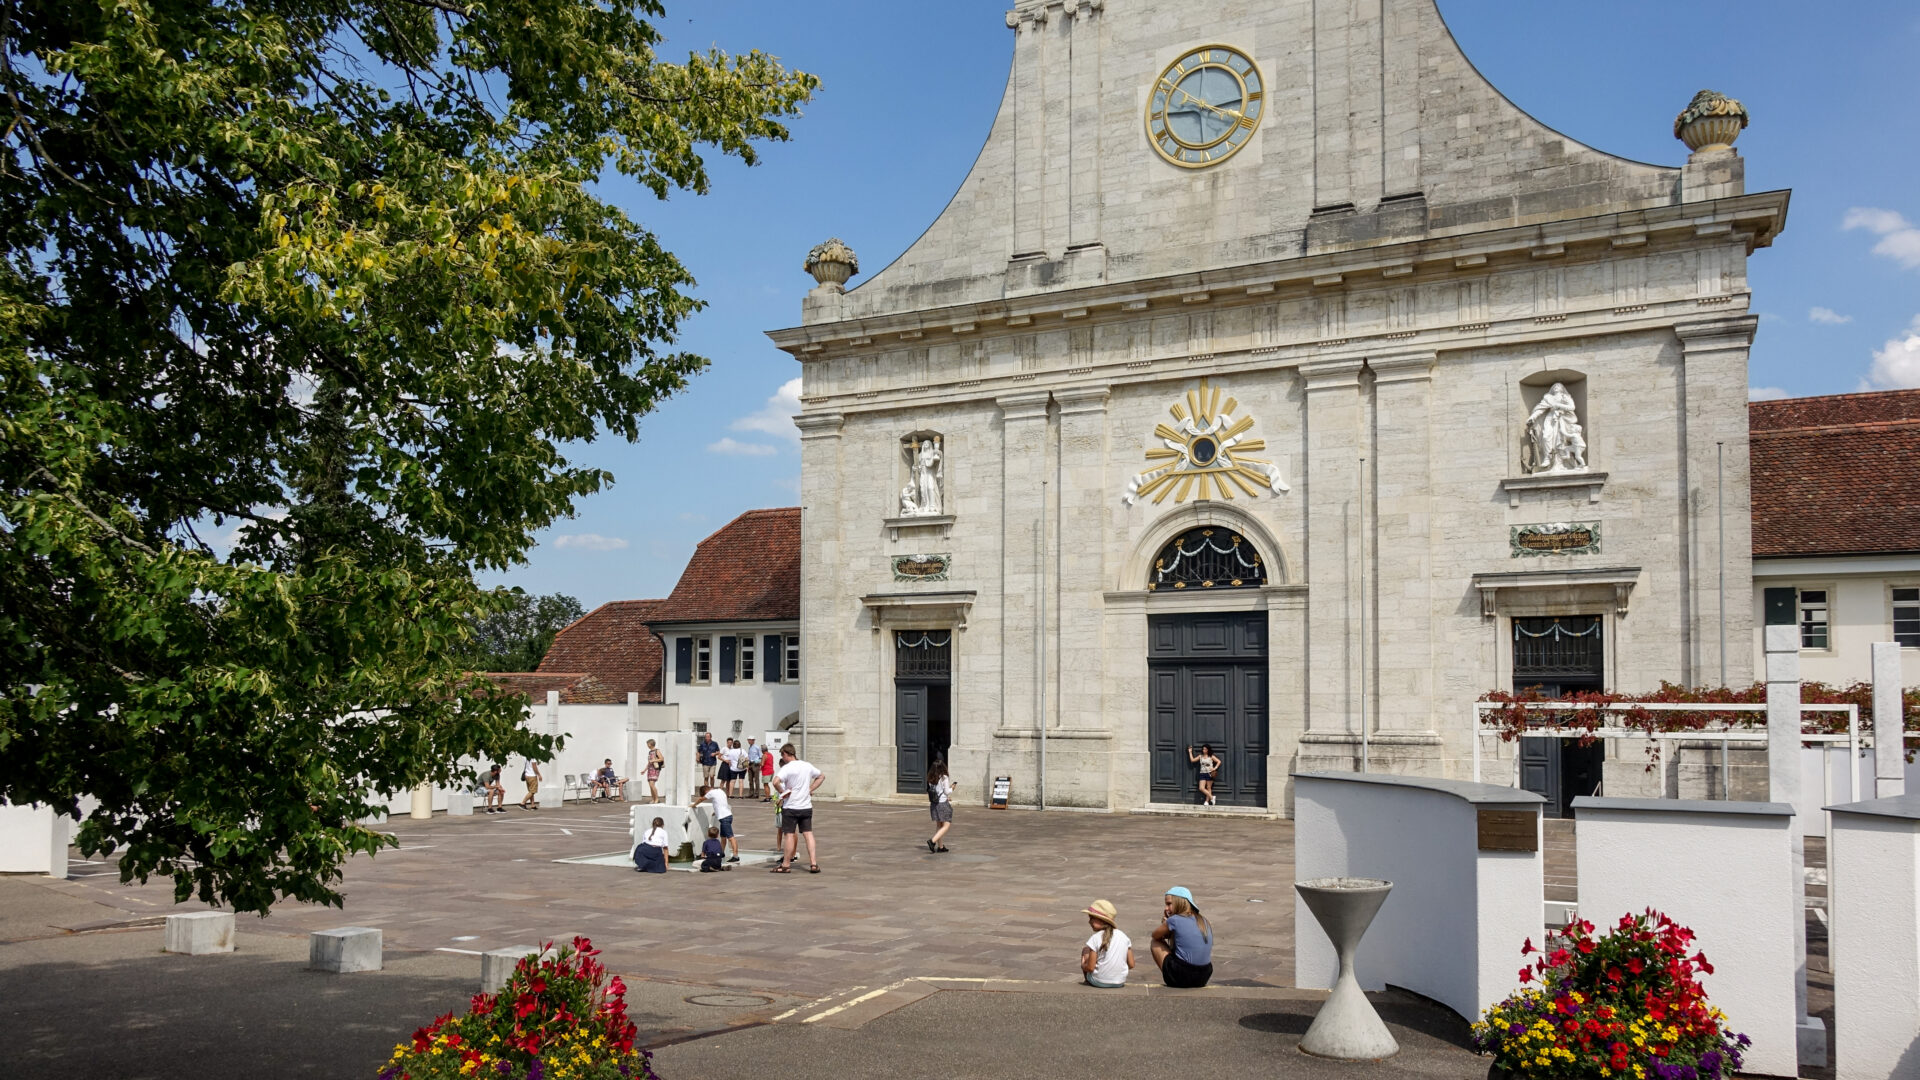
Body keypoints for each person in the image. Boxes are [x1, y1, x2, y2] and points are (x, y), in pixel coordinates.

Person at [770, 742, 824, 874]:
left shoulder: (787, 768)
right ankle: (813, 863)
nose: (783, 759)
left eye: (782, 756)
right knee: (808, 833)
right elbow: (821, 776)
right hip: (806, 806)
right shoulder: (807, 765)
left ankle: (786, 864)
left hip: (791, 806)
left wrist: (783, 792)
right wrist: (810, 789)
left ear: (786, 754)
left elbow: (775, 782)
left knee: (789, 835)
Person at [1149, 886, 1214, 988]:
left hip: (1183, 975)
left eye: (1169, 904)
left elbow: (1155, 935)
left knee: (1155, 943)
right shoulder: (1203, 920)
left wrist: (1165, 924)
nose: (1166, 908)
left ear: (1180, 902)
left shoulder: (1174, 920)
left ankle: (1171, 977)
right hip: (1204, 975)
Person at [1080, 899, 1134, 989]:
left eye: (1092, 918)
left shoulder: (1095, 938)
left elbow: (1090, 968)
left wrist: (1083, 965)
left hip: (1098, 982)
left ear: (1101, 920)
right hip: (1120, 982)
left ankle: (1087, 981)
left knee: (1085, 950)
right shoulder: (1124, 936)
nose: (1089, 922)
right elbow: (1131, 964)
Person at [693, 783, 739, 863]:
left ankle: (735, 856)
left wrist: (693, 805)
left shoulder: (711, 792)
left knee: (731, 837)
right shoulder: (720, 791)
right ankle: (721, 853)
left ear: (706, 791)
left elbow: (701, 799)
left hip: (724, 817)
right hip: (727, 815)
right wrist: (716, 812)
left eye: (705, 794)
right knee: (723, 837)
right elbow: (720, 803)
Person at [925, 757, 954, 853]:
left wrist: (946, 797)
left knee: (939, 824)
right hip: (942, 805)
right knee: (946, 825)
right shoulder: (944, 777)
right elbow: (946, 791)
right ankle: (932, 841)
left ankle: (940, 847)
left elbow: (936, 792)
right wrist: (952, 788)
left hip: (934, 804)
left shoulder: (930, 778)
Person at [644, 739, 665, 803]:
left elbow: (662, 759)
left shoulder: (657, 751)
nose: (647, 745)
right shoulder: (650, 752)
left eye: (647, 744)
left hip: (655, 769)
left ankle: (656, 799)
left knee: (652, 784)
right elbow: (649, 762)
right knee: (650, 785)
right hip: (650, 769)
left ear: (650, 744)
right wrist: (645, 770)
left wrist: (653, 760)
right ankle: (653, 799)